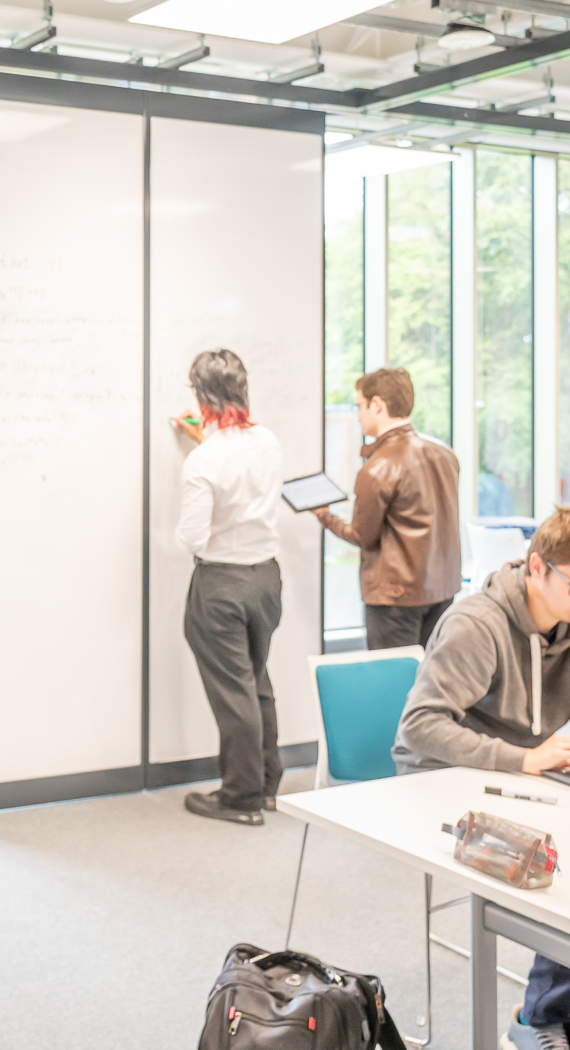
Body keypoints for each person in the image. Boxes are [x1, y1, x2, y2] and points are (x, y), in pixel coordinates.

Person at [392, 505, 570, 1050]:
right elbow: (420, 727)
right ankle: (537, 1019)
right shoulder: (478, 624)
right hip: (440, 780)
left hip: (520, 773)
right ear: (535, 568)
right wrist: (523, 759)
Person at [170, 349, 286, 826]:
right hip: (266, 581)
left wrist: (202, 446)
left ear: (201, 397)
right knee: (255, 681)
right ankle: (267, 784)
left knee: (233, 693)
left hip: (220, 585)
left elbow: (191, 538)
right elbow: (239, 458)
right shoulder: (268, 442)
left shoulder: (204, 461)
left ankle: (241, 798)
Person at [313, 367, 462, 650]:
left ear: (377, 404)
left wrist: (325, 516)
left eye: (360, 406)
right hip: (442, 590)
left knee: (393, 684)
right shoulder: (445, 455)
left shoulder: (377, 468)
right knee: (430, 679)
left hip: (396, 598)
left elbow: (361, 536)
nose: (358, 416)